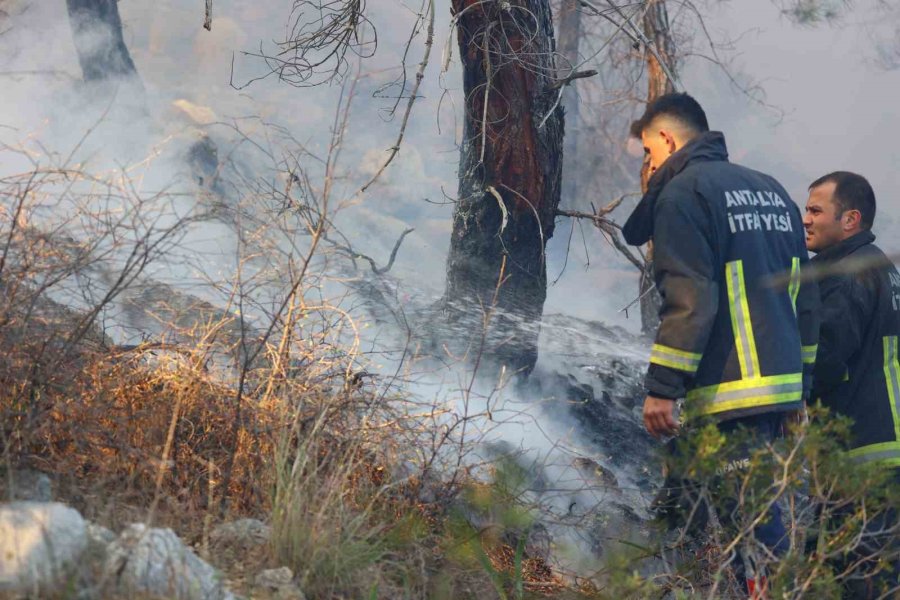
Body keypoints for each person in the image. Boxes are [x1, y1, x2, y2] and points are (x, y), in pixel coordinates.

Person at [623, 92, 819, 595]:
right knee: (693, 502)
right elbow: (807, 300)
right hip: (776, 390)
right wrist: (803, 390)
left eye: (648, 152)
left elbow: (690, 296)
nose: (647, 165)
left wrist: (663, 387)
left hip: (733, 391)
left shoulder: (685, 194)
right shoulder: (771, 191)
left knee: (752, 529)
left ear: (666, 138)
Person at [804, 171, 900, 597]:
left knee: (857, 577)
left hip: (864, 448)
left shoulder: (846, 276)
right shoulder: (881, 267)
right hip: (885, 442)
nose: (805, 219)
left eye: (815, 210)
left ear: (850, 219)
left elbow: (825, 359)